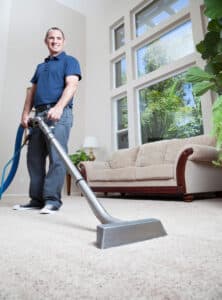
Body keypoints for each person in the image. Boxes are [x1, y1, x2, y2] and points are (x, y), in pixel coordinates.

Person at [13, 27, 81, 214]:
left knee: (57, 157)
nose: (55, 41)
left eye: (59, 38)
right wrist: (25, 114)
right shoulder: (40, 67)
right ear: (46, 41)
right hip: (38, 116)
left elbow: (72, 85)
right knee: (34, 158)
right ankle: (36, 200)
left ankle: (52, 200)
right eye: (51, 38)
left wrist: (58, 107)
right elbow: (31, 93)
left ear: (63, 41)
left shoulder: (70, 61)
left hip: (59, 113)